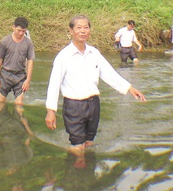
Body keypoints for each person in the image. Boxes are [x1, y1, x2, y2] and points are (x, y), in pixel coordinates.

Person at [45, 15, 146, 156]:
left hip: (93, 104)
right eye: (79, 28)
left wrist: (129, 88)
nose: (83, 31)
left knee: (89, 144)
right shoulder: (64, 56)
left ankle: (88, 173)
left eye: (86, 27)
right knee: (77, 147)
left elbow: (109, 73)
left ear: (90, 30)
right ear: (71, 31)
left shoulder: (94, 53)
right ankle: (73, 173)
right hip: (74, 106)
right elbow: (54, 84)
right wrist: (51, 111)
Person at [0, 17, 35, 106]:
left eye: (23, 31)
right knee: (0, 102)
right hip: (6, 74)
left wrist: (28, 79)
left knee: (19, 103)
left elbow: (30, 61)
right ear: (13, 27)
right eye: (19, 30)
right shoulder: (5, 41)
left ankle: (19, 119)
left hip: (20, 76)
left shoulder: (28, 43)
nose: (21, 33)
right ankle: (0, 119)